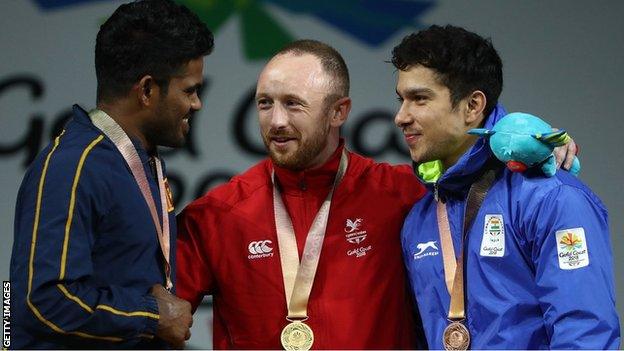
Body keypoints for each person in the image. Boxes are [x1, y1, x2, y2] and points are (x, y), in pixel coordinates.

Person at [176, 40, 428, 349]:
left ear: (339, 111)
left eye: (293, 104)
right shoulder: (216, 216)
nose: (277, 121)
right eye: (265, 103)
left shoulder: (403, 196)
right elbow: (157, 320)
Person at [394, 25, 620, 349]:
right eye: (401, 99)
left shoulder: (549, 197)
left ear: (472, 106)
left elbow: (584, 334)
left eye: (419, 99)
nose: (401, 116)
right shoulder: (419, 219)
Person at [9, 0, 214, 348]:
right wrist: (151, 316)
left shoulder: (138, 161)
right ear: (147, 90)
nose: (196, 104)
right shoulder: (73, 167)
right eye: (189, 90)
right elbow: (39, 300)